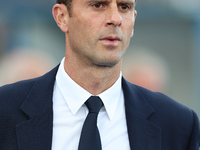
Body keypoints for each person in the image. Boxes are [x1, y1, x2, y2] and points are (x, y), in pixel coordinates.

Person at [0, 0, 199, 150]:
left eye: (124, 7)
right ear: (62, 17)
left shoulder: (177, 124)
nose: (115, 18)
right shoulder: (5, 111)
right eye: (98, 5)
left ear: (133, 21)